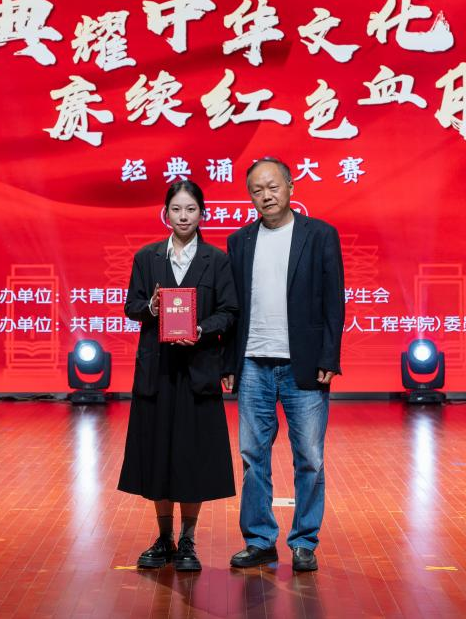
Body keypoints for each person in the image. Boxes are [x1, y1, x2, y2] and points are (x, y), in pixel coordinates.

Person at [223, 157, 344, 572]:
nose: (266, 195)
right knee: (252, 455)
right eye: (257, 190)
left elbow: (334, 301)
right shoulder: (239, 241)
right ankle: (259, 540)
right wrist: (229, 363)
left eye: (273, 187)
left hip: (304, 364)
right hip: (252, 363)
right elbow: (232, 308)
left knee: (309, 456)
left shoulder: (320, 235)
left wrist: (329, 356)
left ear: (291, 187)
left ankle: (304, 541)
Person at [118, 180, 240, 571]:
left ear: (202, 213)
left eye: (191, 209)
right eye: (176, 209)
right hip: (157, 370)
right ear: (165, 214)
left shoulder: (216, 260)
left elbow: (229, 311)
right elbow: (131, 306)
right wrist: (152, 307)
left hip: (197, 369)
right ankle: (163, 537)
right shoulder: (147, 257)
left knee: (193, 455)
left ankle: (188, 539)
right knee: (158, 454)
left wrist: (201, 329)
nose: (183, 216)